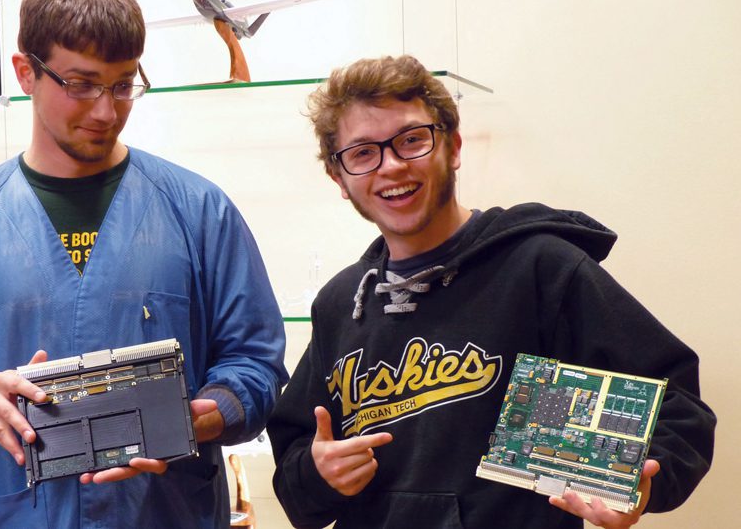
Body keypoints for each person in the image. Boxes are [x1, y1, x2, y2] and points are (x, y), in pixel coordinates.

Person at [0, 0, 287, 527]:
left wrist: (193, 421)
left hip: (165, 511)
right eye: (81, 84)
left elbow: (256, 365)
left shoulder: (200, 213)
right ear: (25, 73)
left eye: (124, 84)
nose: (106, 111)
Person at [266, 54, 715, 529]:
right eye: (362, 153)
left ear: (453, 147)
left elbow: (677, 410)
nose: (392, 165)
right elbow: (297, 463)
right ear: (339, 179)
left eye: (412, 140)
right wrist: (319, 476)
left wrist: (639, 482)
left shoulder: (540, 268)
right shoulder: (340, 303)